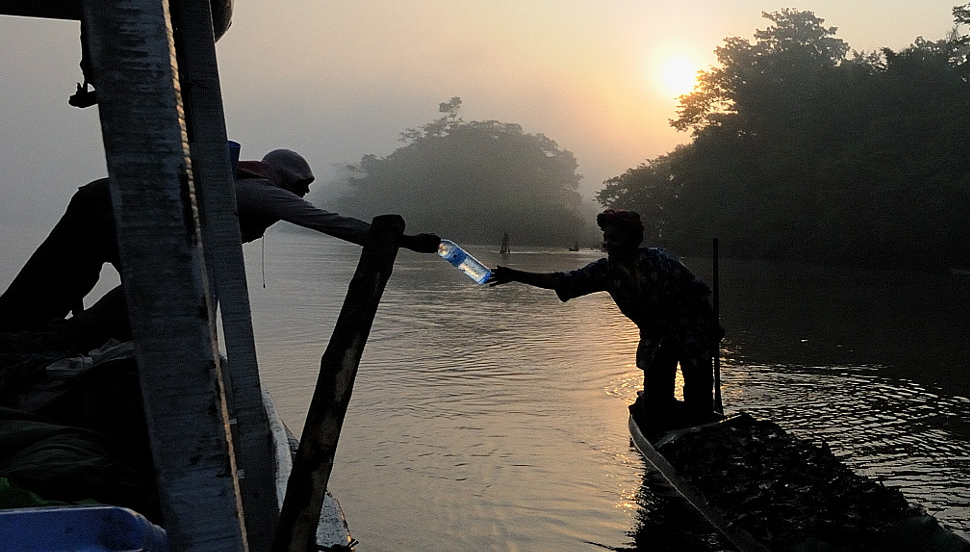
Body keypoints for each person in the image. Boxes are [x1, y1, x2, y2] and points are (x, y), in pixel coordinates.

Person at [0, 148, 442, 336]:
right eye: (302, 186)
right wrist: (401, 241)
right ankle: (41, 336)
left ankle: (54, 334)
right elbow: (327, 222)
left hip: (121, 209)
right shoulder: (260, 191)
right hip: (109, 209)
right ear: (287, 180)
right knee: (61, 279)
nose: (304, 195)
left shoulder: (242, 187)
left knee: (113, 289)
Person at [487, 209, 722, 424]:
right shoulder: (606, 272)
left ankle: (699, 419)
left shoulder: (661, 260)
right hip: (656, 341)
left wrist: (712, 328)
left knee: (699, 404)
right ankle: (658, 412)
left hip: (691, 336)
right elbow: (564, 280)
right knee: (657, 407)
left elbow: (698, 294)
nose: (608, 244)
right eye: (606, 239)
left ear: (631, 241)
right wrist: (515, 275)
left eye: (614, 239)